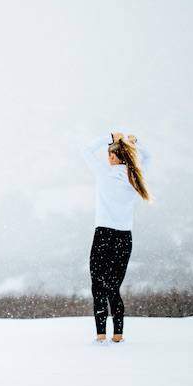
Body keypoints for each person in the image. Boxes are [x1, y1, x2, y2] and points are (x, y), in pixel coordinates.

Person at [79, 131, 152, 344]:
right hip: (124, 238)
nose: (108, 157)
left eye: (111, 153)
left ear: (114, 156)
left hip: (103, 235)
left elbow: (84, 149)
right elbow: (150, 157)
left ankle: (100, 335)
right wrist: (133, 143)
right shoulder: (134, 175)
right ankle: (118, 334)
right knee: (113, 287)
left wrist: (109, 136)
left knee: (98, 286)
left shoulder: (103, 172)